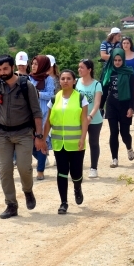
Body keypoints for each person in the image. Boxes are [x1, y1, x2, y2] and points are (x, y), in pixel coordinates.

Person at [0, 55, 44, 219]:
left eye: (5, 69)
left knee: (24, 168)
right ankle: (11, 205)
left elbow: (37, 113)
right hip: (3, 134)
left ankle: (28, 191)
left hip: (24, 133)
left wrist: (39, 136)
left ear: (12, 67)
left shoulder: (26, 85)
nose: (2, 72)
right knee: (4, 170)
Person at [42, 69, 89, 215]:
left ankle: (77, 187)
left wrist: (82, 138)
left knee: (76, 172)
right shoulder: (54, 99)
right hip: (58, 143)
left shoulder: (81, 98)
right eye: (62, 78)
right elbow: (48, 122)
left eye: (69, 78)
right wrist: (43, 140)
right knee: (62, 172)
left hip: (76, 143)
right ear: (59, 81)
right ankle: (63, 202)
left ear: (74, 81)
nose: (65, 81)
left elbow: (84, 120)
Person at [100, 48, 134, 168]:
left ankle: (129, 147)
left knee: (124, 133)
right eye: (115, 60)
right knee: (113, 132)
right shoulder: (108, 71)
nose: (117, 62)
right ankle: (114, 158)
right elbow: (104, 91)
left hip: (125, 105)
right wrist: (101, 106)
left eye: (119, 60)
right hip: (112, 105)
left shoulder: (129, 72)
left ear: (123, 59)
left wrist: (131, 107)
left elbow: (132, 92)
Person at [29, 55, 56, 180]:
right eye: (32, 63)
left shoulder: (48, 79)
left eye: (36, 64)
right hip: (29, 116)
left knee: (41, 141)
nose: (33, 66)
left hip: (43, 114)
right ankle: (42, 160)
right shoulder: (28, 78)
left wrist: (37, 93)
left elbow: (51, 95)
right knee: (29, 143)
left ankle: (40, 170)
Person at [76, 59, 103, 178]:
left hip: (94, 119)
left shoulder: (97, 84)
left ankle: (93, 167)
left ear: (89, 70)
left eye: (82, 67)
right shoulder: (76, 82)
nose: (79, 70)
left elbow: (97, 103)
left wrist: (90, 116)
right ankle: (77, 165)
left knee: (93, 142)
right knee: (78, 142)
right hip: (79, 118)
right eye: (79, 67)